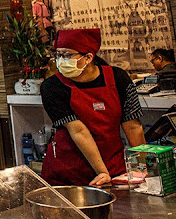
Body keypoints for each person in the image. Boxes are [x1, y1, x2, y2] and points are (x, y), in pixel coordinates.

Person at [41, 29, 146, 187]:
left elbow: (132, 125)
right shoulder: (52, 87)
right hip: (68, 172)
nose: (61, 60)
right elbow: (78, 131)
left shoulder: (119, 79)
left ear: (88, 57)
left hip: (114, 166)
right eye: (58, 55)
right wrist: (102, 172)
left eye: (67, 55)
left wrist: (143, 165)